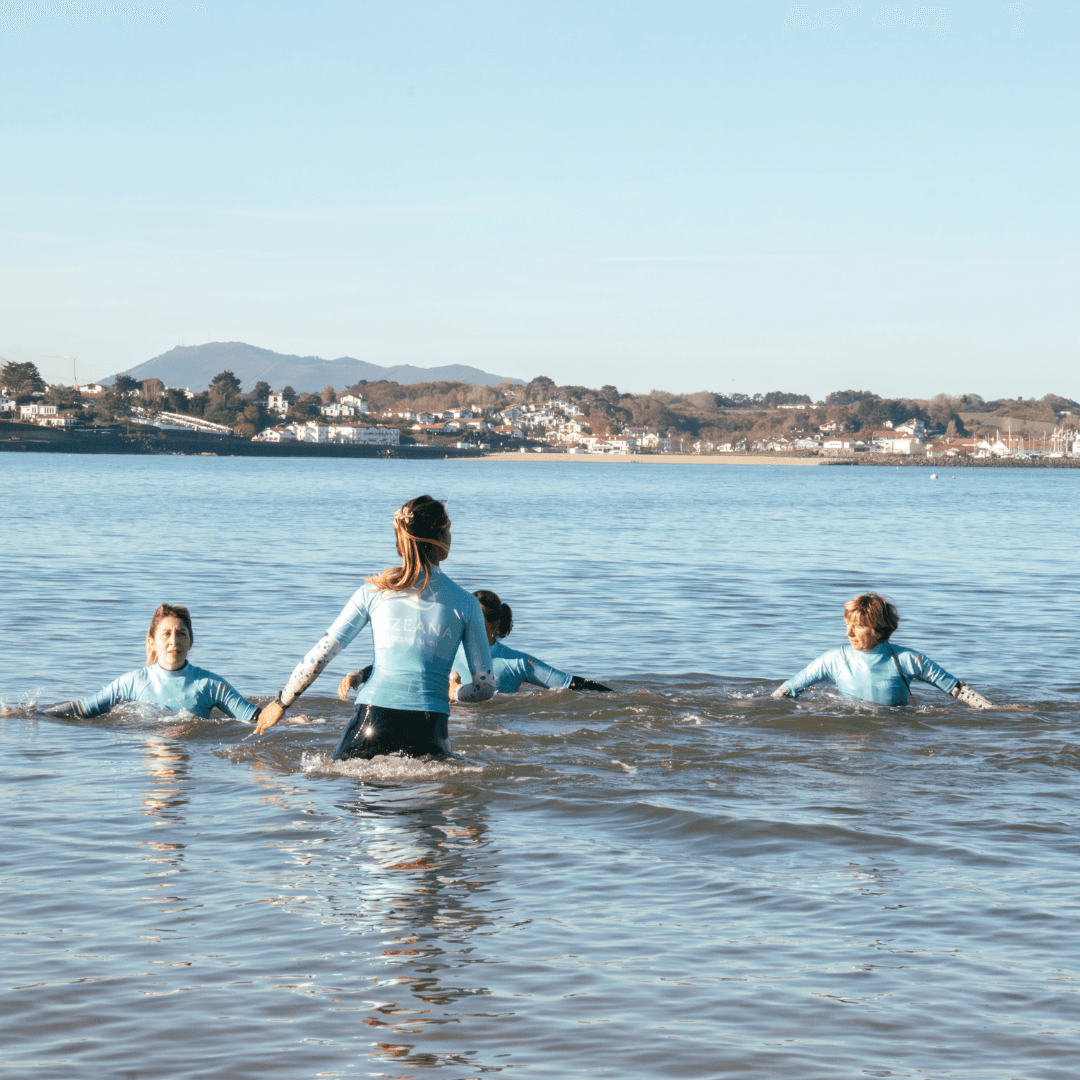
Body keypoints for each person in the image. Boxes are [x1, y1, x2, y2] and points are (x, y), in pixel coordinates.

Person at [255, 495, 494, 758]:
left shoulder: (373, 592)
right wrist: (456, 691)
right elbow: (485, 687)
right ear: (439, 536)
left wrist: (281, 703)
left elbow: (321, 654)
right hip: (429, 730)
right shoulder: (466, 603)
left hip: (371, 721)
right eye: (448, 529)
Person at [338, 589, 614, 698]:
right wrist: (360, 674)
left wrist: (619, 697)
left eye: (477, 617)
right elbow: (400, 663)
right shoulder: (442, 649)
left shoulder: (517, 662)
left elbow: (569, 683)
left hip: (494, 734)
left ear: (494, 625)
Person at [771, 593, 993, 708]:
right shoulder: (833, 660)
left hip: (895, 733)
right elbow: (788, 690)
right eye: (846, 625)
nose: (848, 633)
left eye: (857, 626)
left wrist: (993, 710)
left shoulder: (907, 659)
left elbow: (957, 689)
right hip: (849, 730)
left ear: (878, 631)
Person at [46, 604, 259, 720]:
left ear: (191, 641)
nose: (174, 641)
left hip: (192, 758)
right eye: (166, 634)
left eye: (181, 634)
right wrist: (35, 715)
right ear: (152, 642)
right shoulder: (132, 682)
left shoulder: (211, 684)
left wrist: (290, 722)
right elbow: (83, 708)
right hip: (151, 755)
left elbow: (254, 717)